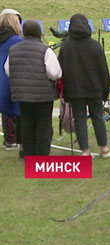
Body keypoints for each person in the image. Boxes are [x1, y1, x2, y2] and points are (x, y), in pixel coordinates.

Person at [58, 14, 110, 157]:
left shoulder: (66, 47)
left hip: (75, 90)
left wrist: (65, 93)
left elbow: (61, 71)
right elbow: (103, 71)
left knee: (80, 119)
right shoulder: (95, 45)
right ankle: (104, 148)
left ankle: (85, 151)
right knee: (97, 117)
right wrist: (105, 91)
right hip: (95, 88)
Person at [5, 20, 61, 156]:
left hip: (23, 94)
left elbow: (8, 70)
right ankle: (41, 155)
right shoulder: (45, 50)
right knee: (43, 125)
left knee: (27, 124)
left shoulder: (13, 49)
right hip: (43, 94)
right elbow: (55, 73)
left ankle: (29, 154)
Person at [0, 11, 24, 156]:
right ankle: (13, 139)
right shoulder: (15, 40)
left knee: (6, 107)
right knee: (13, 107)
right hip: (11, 76)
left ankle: (9, 138)